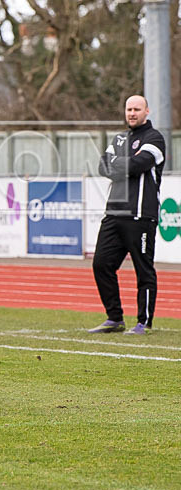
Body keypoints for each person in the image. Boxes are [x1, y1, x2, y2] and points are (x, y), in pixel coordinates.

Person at [89, 95, 166, 335]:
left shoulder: (155, 138)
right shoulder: (119, 138)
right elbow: (103, 166)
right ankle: (114, 318)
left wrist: (119, 164)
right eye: (129, 109)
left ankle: (143, 322)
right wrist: (124, 163)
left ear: (147, 111)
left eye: (137, 109)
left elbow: (137, 165)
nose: (132, 113)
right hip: (114, 213)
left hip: (141, 215)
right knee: (101, 264)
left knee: (143, 270)